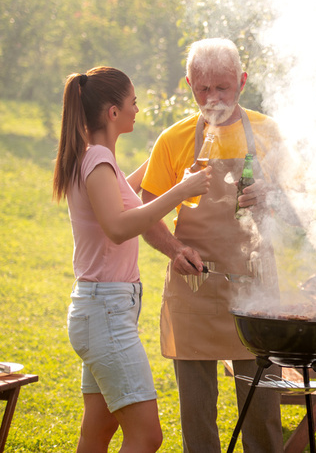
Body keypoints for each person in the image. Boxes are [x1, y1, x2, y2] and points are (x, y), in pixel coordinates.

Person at [53, 66, 211, 452]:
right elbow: (119, 226)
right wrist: (182, 189)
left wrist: (164, 152)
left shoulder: (93, 158)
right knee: (146, 436)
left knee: (97, 435)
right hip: (105, 312)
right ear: (112, 112)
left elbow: (129, 188)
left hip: (100, 310)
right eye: (133, 103)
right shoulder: (98, 162)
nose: (137, 110)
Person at [140, 38, 284, 452]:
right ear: (189, 84)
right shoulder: (174, 139)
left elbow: (300, 210)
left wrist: (271, 195)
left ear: (241, 80)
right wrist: (173, 250)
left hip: (254, 289)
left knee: (261, 411)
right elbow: (148, 212)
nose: (213, 98)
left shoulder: (268, 133)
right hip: (194, 289)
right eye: (203, 89)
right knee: (197, 416)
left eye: (222, 87)